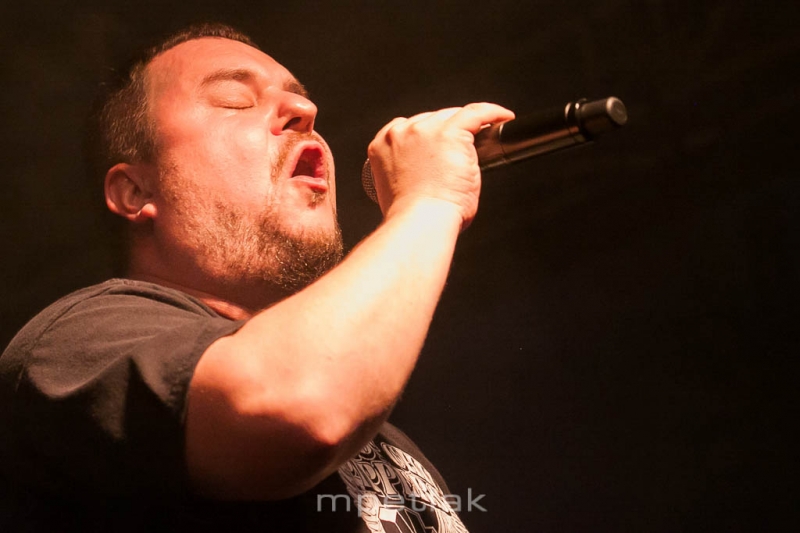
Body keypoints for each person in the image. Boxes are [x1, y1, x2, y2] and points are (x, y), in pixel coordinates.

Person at [0, 23, 514, 532]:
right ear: (135, 191)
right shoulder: (80, 342)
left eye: (299, 96)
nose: (305, 110)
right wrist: (429, 200)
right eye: (234, 101)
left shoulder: (390, 444)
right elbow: (303, 406)